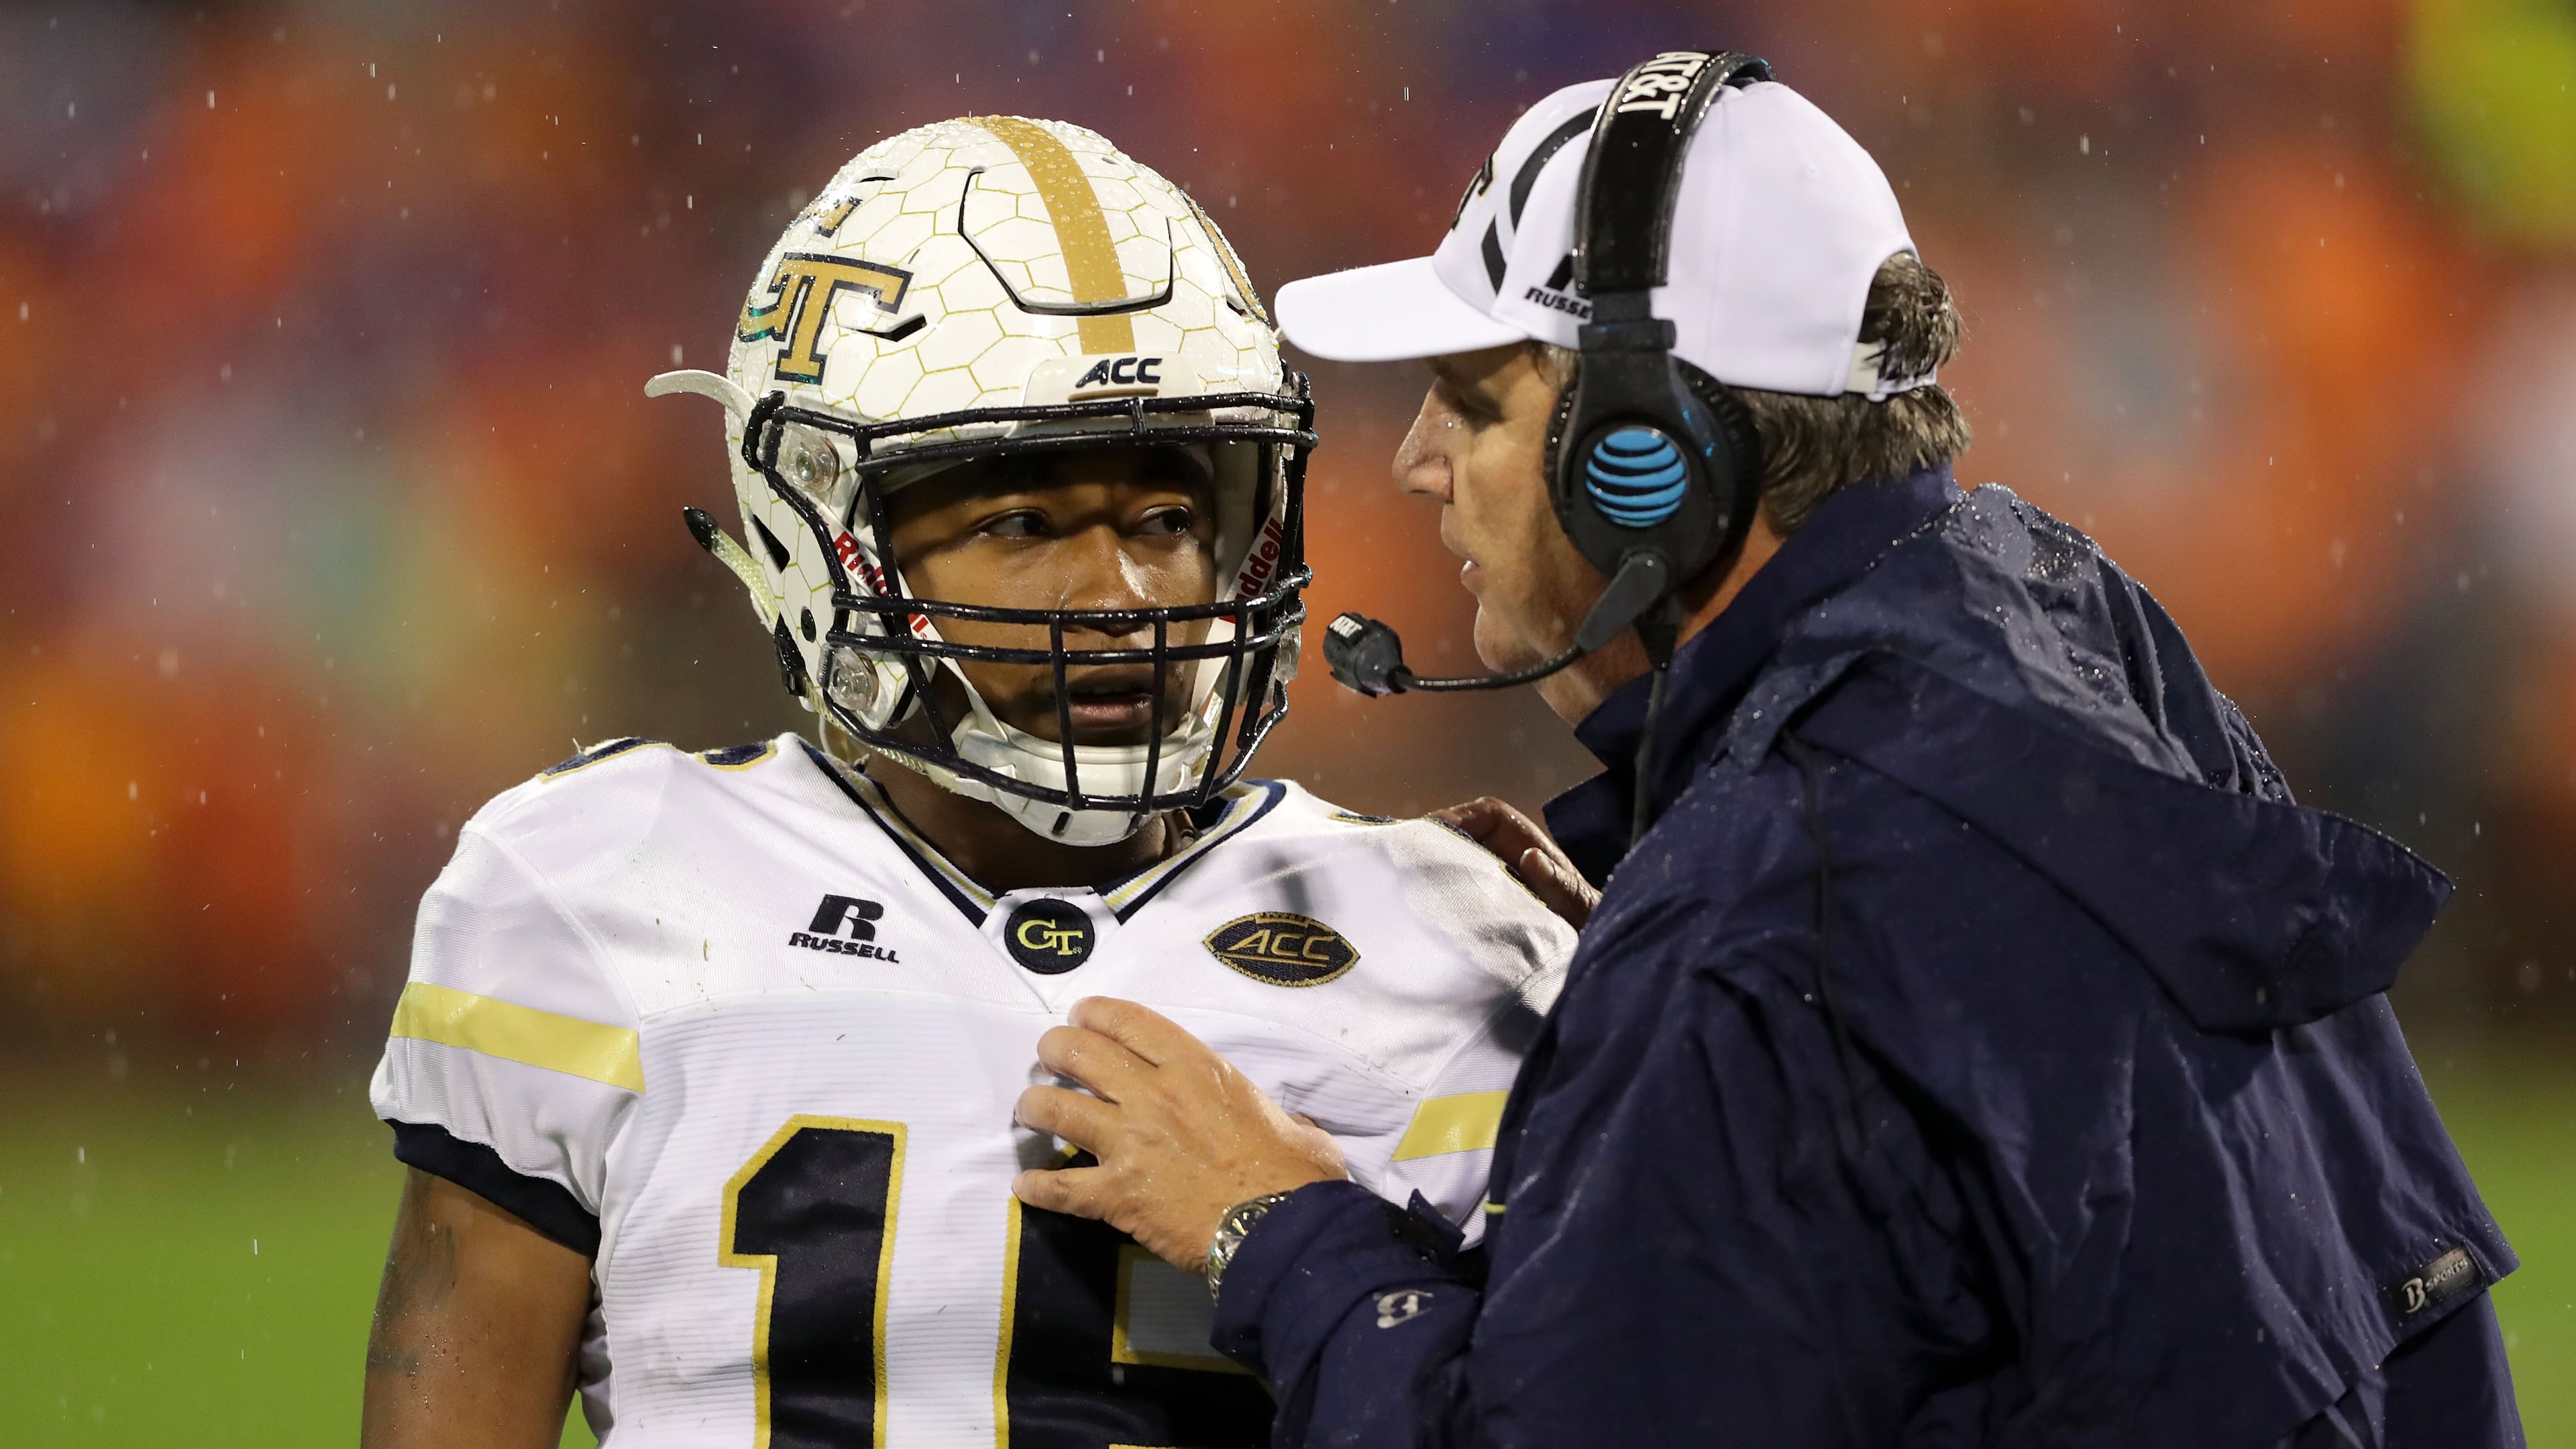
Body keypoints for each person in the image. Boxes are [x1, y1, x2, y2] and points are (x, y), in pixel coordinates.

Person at [1009, 55, 2528, 1448]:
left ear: (1646, 466)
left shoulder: (1770, 908)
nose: (1409, 462)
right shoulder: (2052, 613)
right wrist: (1663, 915)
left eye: (1470, 400)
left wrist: (1272, 1224)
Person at [358, 115, 1572, 1448]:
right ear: (828, 535)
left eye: (1165, 519)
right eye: (1023, 523)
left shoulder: (1458, 942)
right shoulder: (596, 886)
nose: (1119, 598)